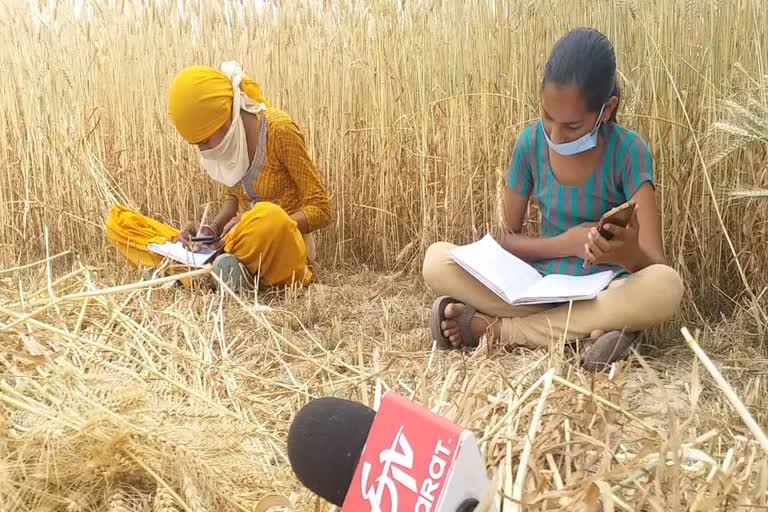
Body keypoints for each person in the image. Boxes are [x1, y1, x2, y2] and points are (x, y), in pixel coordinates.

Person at [423, 28, 684, 371]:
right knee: (437, 260)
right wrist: (566, 244)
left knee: (666, 287)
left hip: (605, 291)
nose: (556, 135)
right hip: (538, 288)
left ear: (607, 110)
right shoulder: (529, 144)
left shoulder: (629, 150)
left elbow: (655, 265)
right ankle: (592, 334)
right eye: (547, 117)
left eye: (573, 126)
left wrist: (627, 251)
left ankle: (497, 330)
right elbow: (502, 240)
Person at [105, 61, 333, 290]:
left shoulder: (281, 131)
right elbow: (233, 198)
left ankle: (185, 273)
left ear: (227, 117)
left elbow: (322, 210)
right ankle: (217, 268)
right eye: (197, 145)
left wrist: (248, 223)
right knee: (122, 223)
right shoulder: (233, 140)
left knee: (268, 215)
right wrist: (210, 230)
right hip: (232, 243)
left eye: (205, 141)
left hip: (276, 244)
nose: (204, 151)